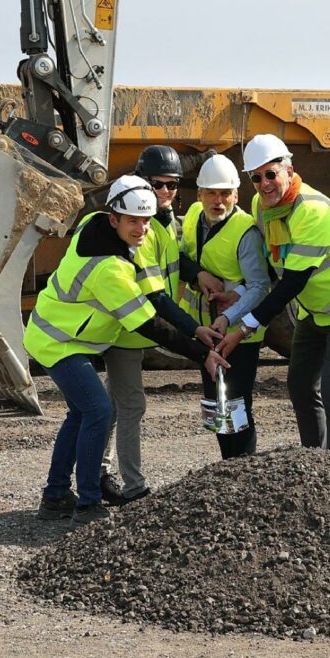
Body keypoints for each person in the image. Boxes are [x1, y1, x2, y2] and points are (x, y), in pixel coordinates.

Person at [24, 175, 227, 528]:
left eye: (146, 221)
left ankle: (54, 496)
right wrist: (201, 353)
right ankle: (87, 504)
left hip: (58, 332)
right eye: (133, 220)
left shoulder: (93, 222)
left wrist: (194, 332)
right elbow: (149, 324)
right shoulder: (110, 271)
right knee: (98, 411)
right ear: (114, 217)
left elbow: (154, 298)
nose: (142, 229)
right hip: (58, 342)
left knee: (80, 414)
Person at [214, 134, 330, 451]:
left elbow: (289, 281)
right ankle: (232, 467)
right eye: (256, 178)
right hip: (220, 328)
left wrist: (243, 326)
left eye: (270, 174)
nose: (263, 183)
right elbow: (269, 268)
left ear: (289, 169)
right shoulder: (200, 220)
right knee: (235, 396)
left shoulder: (311, 212)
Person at [99, 146, 215, 506]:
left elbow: (174, 260)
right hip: (131, 330)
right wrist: (195, 332)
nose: (166, 192)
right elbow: (156, 298)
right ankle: (134, 489)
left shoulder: (162, 222)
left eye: (173, 185)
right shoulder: (142, 230)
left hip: (141, 328)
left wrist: (198, 275)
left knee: (112, 406)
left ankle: (95, 474)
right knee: (131, 406)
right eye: (158, 184)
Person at [177, 154, 270, 458]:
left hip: (238, 334)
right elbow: (181, 257)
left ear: (236, 195)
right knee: (215, 402)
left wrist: (228, 315)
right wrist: (197, 274)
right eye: (212, 193)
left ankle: (242, 469)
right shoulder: (192, 215)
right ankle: (226, 467)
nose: (219, 201)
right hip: (206, 331)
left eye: (225, 194)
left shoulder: (246, 231)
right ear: (200, 193)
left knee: (236, 403)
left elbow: (259, 286)